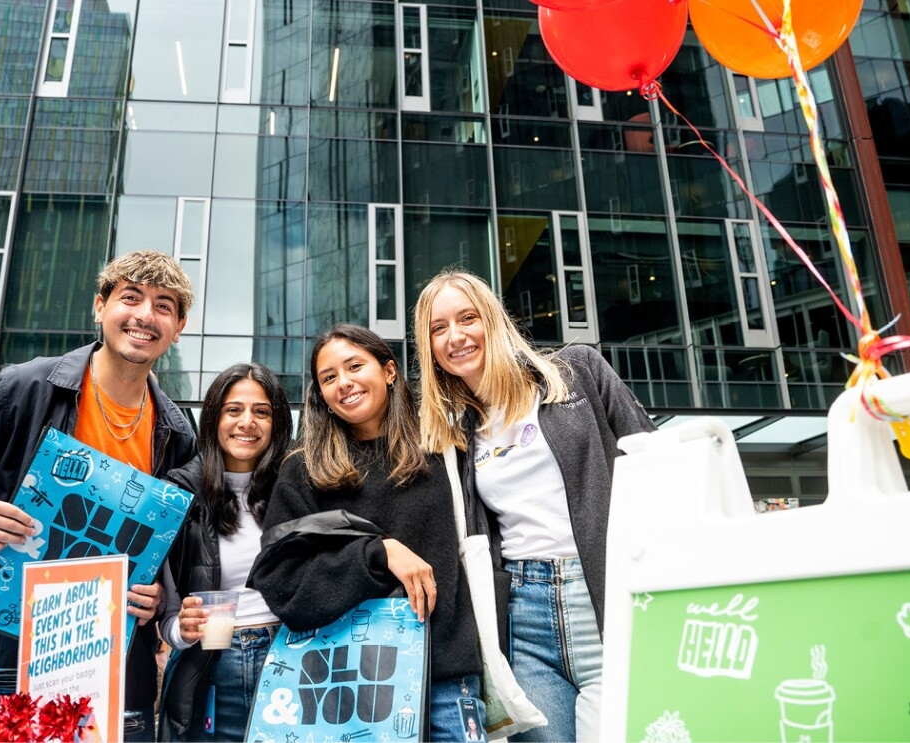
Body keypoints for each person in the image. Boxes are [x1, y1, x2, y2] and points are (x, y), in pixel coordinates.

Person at [0, 250, 198, 740]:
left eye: (164, 305)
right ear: (99, 307)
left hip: (101, 664)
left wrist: (157, 596)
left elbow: (164, 543)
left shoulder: (176, 430)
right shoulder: (25, 387)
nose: (145, 315)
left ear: (179, 326)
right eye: (130, 297)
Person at [414, 270, 656, 742]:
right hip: (525, 618)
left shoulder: (576, 372)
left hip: (604, 596)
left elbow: (652, 458)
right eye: (439, 328)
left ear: (493, 319)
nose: (456, 336)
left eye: (467, 318)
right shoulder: (456, 433)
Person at [251, 324, 484, 742]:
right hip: (345, 690)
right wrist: (377, 555)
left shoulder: (445, 448)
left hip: (448, 682)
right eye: (328, 378)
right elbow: (281, 582)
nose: (344, 383)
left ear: (390, 371)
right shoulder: (302, 471)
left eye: (355, 366)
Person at [158, 363, 293, 741]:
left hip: (290, 662)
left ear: (277, 424)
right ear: (214, 418)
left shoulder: (298, 486)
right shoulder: (179, 495)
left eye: (261, 412)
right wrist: (183, 630)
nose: (247, 422)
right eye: (234, 410)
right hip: (212, 672)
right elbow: (168, 620)